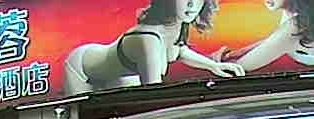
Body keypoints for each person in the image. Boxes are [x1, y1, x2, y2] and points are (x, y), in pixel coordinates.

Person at [63, 0, 245, 93]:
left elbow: (178, 50)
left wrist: (213, 66)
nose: (191, 5)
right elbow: (152, 92)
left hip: (119, 75)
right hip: (82, 70)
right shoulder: (148, 39)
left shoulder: (177, 26)